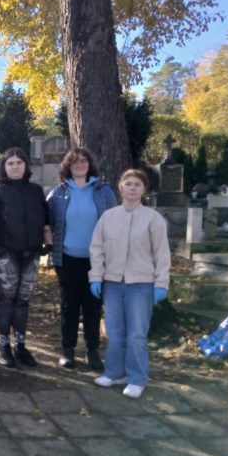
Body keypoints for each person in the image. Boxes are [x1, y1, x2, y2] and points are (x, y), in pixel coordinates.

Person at [89, 168, 171, 399]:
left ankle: (137, 378)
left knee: (137, 334)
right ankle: (114, 372)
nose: (132, 188)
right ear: (121, 187)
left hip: (141, 284)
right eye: (128, 184)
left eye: (137, 184)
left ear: (144, 189)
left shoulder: (153, 218)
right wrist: (96, 277)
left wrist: (161, 283)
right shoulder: (109, 217)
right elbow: (97, 248)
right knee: (115, 333)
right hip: (113, 284)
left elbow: (161, 253)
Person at [0, 147, 52, 368]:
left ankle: (20, 345)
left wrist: (48, 243)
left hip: (31, 253)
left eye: (19, 163)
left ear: (25, 166)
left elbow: (46, 220)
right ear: (4, 167)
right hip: (5, 254)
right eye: (10, 163)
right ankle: (3, 346)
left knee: (23, 300)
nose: (15, 167)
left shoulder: (35, 191)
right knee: (6, 299)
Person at [47, 148, 117, 371]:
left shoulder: (103, 191)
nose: (79, 165)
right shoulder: (58, 193)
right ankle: (67, 350)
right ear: (68, 166)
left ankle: (92, 351)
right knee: (69, 306)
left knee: (93, 307)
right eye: (74, 162)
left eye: (83, 161)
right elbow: (47, 223)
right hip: (67, 258)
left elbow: (115, 222)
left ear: (89, 165)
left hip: (96, 260)